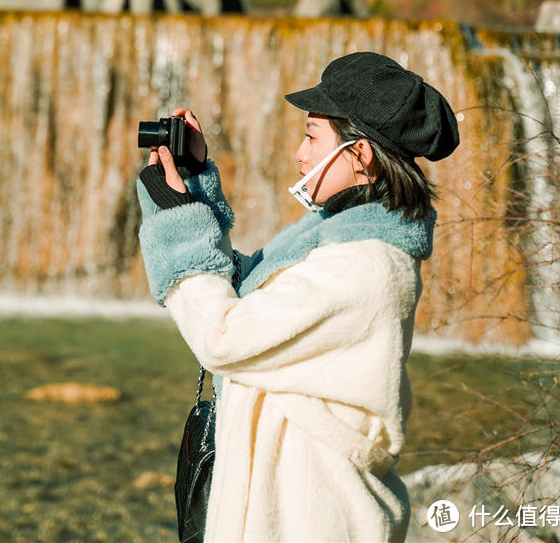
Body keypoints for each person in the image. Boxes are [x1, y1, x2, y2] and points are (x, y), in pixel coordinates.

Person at [136, 50, 460, 543]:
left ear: (360, 154)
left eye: (312, 135)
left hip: (315, 522)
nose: (300, 154)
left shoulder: (365, 267)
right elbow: (246, 293)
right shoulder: (336, 238)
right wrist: (194, 188)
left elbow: (225, 335)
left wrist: (177, 221)